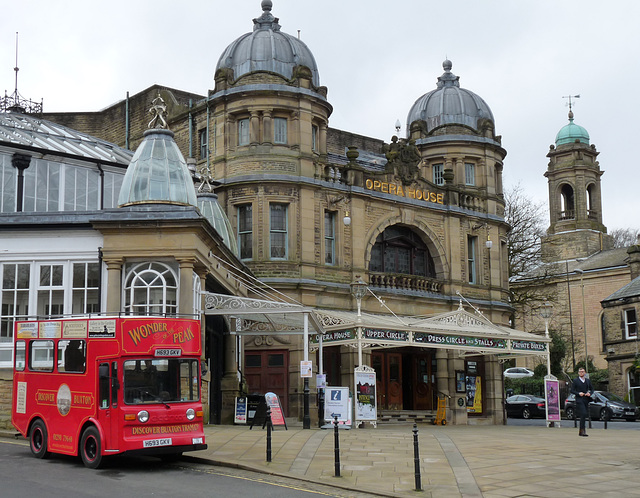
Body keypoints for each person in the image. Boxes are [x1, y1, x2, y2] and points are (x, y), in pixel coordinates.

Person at [570, 367, 594, 437]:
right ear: (578, 373)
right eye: (580, 372)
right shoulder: (575, 381)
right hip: (579, 399)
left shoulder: (587, 381)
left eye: (583, 372)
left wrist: (589, 393)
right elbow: (572, 390)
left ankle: (581, 430)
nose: (581, 373)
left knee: (584, 415)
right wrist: (578, 393)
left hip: (586, 399)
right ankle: (582, 430)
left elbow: (592, 389)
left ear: (585, 373)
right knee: (583, 413)